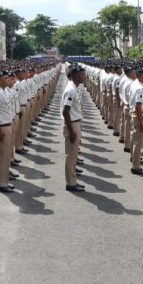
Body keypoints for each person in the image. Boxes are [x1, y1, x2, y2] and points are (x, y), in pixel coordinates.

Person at [0, 70, 16, 193]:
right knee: (3, 157)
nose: (8, 79)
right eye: (6, 78)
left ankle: (4, 181)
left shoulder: (3, 92)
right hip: (2, 127)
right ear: (0, 80)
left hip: (7, 125)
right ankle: (1, 183)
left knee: (6, 156)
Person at [61, 64, 85, 192]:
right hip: (72, 123)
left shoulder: (74, 88)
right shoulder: (70, 90)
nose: (83, 76)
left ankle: (73, 179)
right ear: (75, 75)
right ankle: (71, 183)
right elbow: (66, 111)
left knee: (74, 154)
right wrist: (71, 131)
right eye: (81, 74)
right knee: (71, 155)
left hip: (75, 122)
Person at [129, 67, 143, 176]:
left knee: (134, 138)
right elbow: (138, 106)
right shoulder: (140, 88)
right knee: (138, 141)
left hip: (134, 113)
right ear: (140, 76)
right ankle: (135, 166)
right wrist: (141, 122)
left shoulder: (134, 84)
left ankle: (133, 157)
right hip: (138, 115)